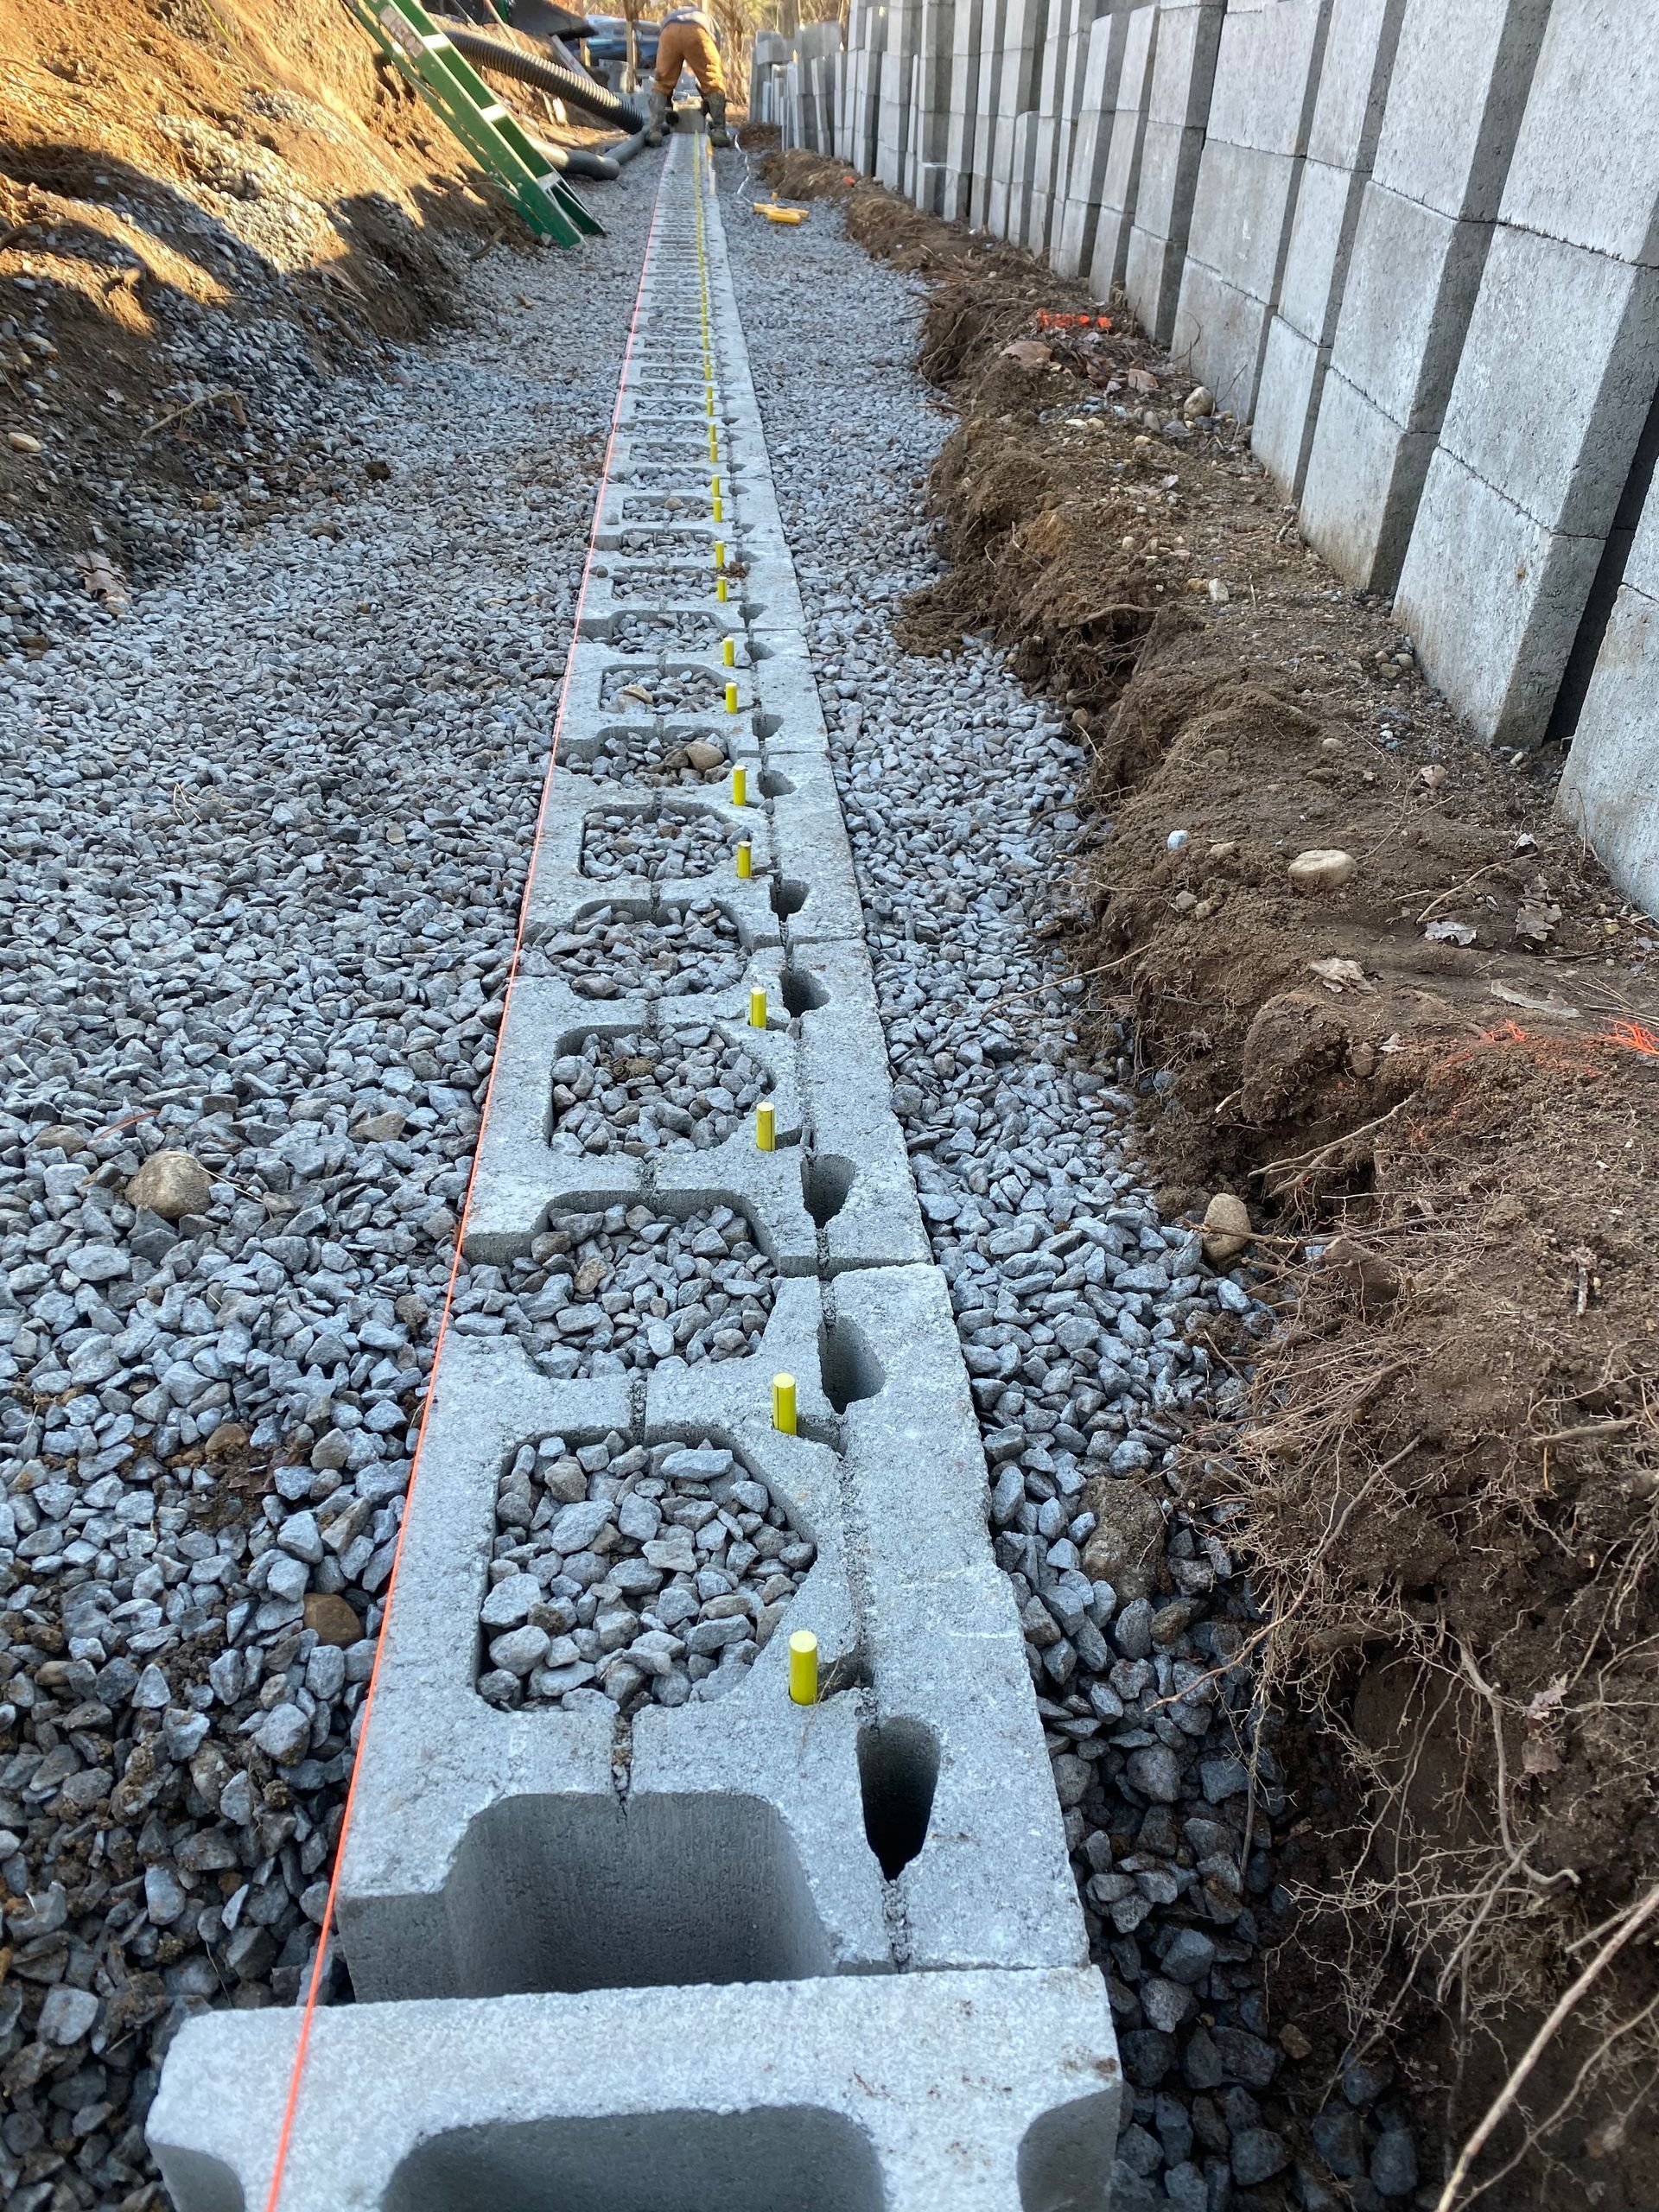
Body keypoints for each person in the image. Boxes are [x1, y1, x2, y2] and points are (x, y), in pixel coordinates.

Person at [646, 6, 731, 147]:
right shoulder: (708, 21)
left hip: (669, 32)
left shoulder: (671, 16)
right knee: (713, 80)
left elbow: (664, 70)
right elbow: (713, 59)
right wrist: (707, 98)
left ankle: (655, 132)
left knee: (662, 83)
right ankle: (719, 131)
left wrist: (668, 105)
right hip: (698, 31)